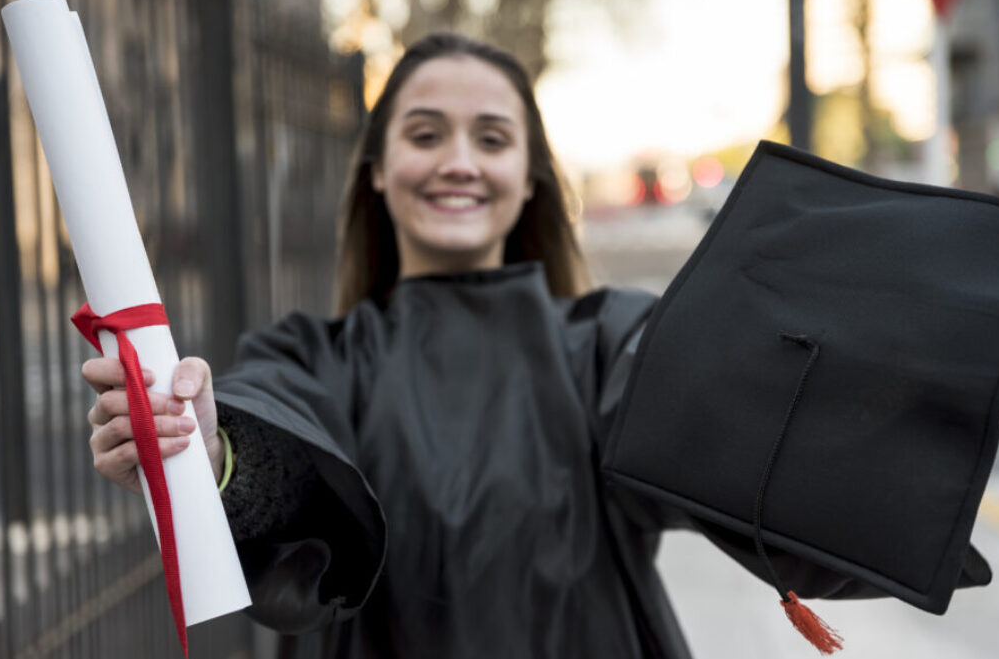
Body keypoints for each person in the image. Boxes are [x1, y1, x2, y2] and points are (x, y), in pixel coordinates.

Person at [82, 33, 884, 658]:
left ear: (530, 175)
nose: (459, 162)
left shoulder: (605, 344)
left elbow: (709, 414)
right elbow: (276, 439)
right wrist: (205, 446)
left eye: (492, 139)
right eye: (426, 134)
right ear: (377, 169)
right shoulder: (316, 356)